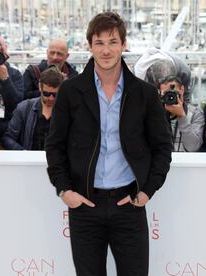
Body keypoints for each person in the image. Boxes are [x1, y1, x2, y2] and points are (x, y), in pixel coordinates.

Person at [45, 12, 172, 276]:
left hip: (128, 204)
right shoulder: (70, 91)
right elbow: (54, 145)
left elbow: (162, 148)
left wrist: (147, 191)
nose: (106, 50)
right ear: (89, 46)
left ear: (124, 45)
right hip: (84, 205)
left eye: (113, 42)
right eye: (99, 42)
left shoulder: (144, 94)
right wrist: (64, 190)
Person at [140, 58, 204, 151]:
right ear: (160, 93)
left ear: (182, 89)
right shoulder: (151, 112)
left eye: (174, 92)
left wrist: (182, 116)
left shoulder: (195, 113)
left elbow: (193, 147)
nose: (171, 97)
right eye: (167, 93)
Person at [2, 66, 64, 150]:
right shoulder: (24, 108)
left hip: (57, 160)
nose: (51, 98)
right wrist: (23, 153)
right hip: (29, 159)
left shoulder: (67, 111)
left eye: (56, 94)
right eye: (46, 93)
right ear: (40, 87)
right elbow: (8, 138)